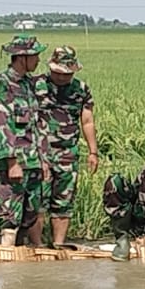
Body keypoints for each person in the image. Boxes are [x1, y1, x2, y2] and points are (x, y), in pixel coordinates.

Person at [0, 34, 47, 246]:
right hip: (16, 164)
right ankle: (7, 257)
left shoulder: (29, 85)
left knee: (29, 216)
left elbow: (37, 125)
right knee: (10, 216)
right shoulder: (1, 85)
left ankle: (21, 259)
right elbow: (1, 125)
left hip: (33, 162)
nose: (38, 60)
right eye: (35, 56)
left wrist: (43, 160)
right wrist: (12, 162)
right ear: (22, 57)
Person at [40, 45, 99, 249]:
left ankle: (59, 245)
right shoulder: (36, 86)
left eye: (66, 74)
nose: (61, 77)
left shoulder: (81, 90)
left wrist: (93, 152)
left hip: (68, 154)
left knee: (63, 203)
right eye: (57, 73)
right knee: (38, 203)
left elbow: (87, 121)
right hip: (40, 154)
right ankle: (36, 245)